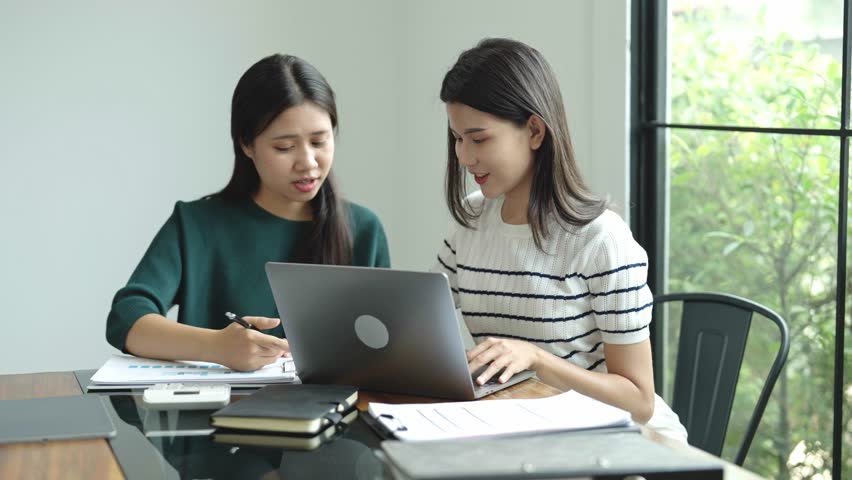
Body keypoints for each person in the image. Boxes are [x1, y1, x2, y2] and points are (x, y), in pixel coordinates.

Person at [432, 38, 687, 441]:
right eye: (458, 139)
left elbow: (639, 401)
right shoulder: (470, 220)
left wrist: (536, 359)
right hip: (522, 428)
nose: (464, 157)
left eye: (479, 139)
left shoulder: (600, 239)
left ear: (534, 131)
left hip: (617, 438)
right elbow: (426, 331)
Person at [106, 54, 390, 371]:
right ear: (247, 144)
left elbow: (382, 346)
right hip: (213, 416)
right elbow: (126, 317)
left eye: (319, 141)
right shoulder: (197, 224)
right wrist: (216, 347)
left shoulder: (363, 229)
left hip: (334, 416)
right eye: (284, 147)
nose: (308, 162)